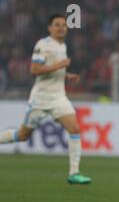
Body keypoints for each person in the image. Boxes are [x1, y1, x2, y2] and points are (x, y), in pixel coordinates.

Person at [0, 14, 91, 185]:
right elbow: (35, 69)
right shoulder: (43, 45)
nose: (61, 28)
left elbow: (54, 70)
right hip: (40, 99)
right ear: (49, 28)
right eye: (57, 25)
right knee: (22, 135)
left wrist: (67, 75)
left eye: (64, 25)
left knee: (75, 129)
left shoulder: (62, 45)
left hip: (58, 97)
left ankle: (74, 173)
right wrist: (60, 65)